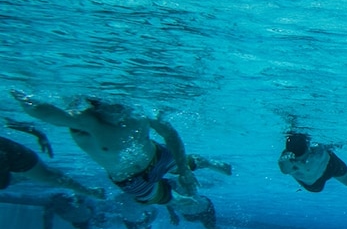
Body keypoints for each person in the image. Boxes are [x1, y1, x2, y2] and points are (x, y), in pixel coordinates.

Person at [11, 92, 230, 205]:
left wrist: (183, 170)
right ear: (97, 106)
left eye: (121, 105)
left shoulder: (140, 114)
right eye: (111, 108)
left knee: (190, 162)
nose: (118, 111)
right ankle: (181, 201)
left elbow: (170, 134)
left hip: (156, 156)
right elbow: (48, 114)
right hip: (130, 178)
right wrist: (26, 99)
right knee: (157, 198)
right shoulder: (88, 123)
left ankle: (211, 164)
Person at [1, 135, 103, 199]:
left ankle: (88, 191)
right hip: (8, 160)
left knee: (49, 177)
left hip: (19, 158)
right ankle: (24, 177)